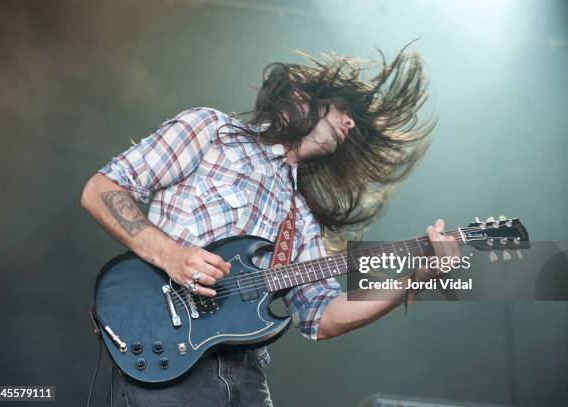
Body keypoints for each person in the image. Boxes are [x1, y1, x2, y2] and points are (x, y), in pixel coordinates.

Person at [81, 44, 460, 406]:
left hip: (246, 376)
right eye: (342, 109)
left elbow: (321, 316)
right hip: (167, 350)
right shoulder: (213, 131)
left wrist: (413, 282)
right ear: (299, 97)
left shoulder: (302, 215)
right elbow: (102, 189)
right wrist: (172, 255)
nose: (349, 123)